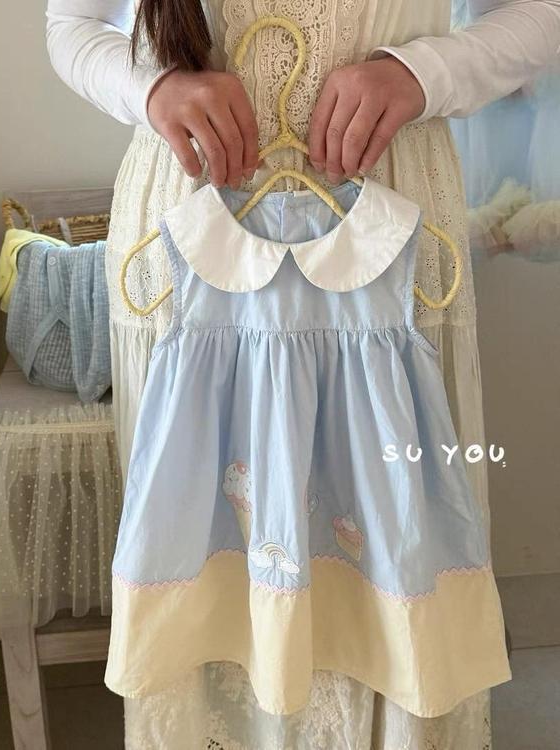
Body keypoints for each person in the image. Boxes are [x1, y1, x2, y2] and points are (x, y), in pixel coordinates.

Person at [46, 2, 560, 748]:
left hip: (392, 221)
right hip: (190, 232)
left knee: (398, 540)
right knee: (198, 536)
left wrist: (423, 73)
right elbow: (70, 24)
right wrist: (151, 88)